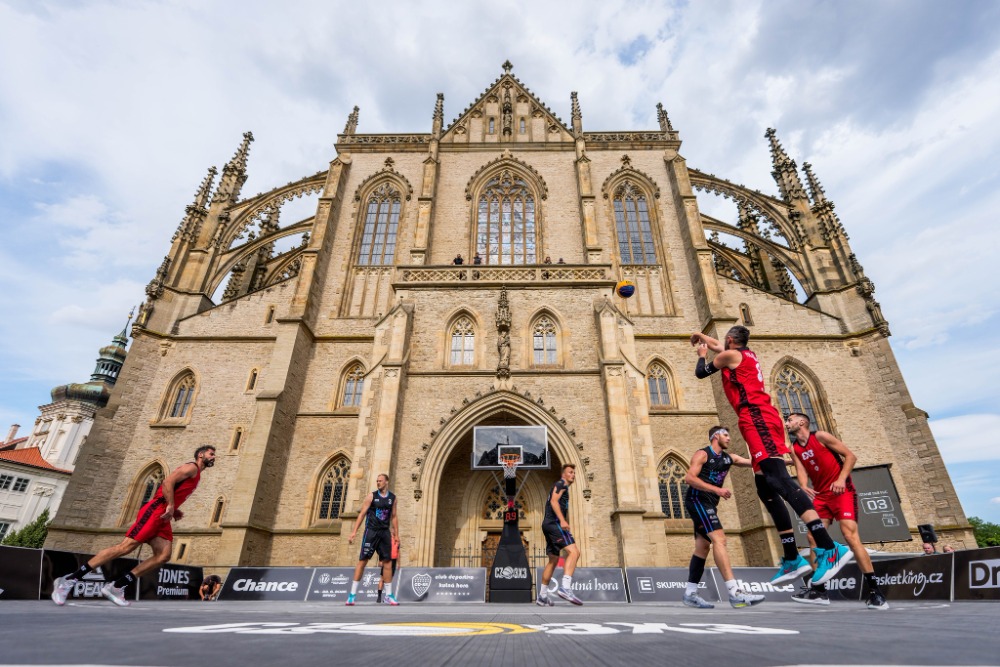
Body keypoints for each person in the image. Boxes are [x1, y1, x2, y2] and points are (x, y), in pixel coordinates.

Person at [691, 326, 852, 586]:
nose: (719, 344)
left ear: (730, 340)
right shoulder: (743, 354)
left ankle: (829, 547)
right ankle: (792, 557)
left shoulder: (729, 356)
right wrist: (702, 336)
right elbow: (719, 347)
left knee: (778, 479)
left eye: (724, 341)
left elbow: (702, 372)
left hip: (757, 418)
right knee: (764, 486)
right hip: (757, 419)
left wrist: (701, 354)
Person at [51, 445, 217, 607]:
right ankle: (69, 580)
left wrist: (174, 510)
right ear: (200, 455)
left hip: (163, 517)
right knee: (125, 547)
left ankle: (117, 587)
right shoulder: (191, 467)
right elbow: (167, 482)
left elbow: (174, 490)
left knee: (163, 555)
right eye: (211, 454)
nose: (214, 457)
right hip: (155, 511)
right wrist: (171, 505)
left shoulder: (197, 475)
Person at [785, 413, 888, 610]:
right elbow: (801, 469)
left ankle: (875, 591)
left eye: (790, 420)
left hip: (841, 491)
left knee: (850, 536)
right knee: (812, 537)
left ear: (802, 422)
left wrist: (841, 479)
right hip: (821, 495)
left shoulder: (821, 436)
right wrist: (804, 485)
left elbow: (851, 456)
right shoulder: (794, 448)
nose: (786, 423)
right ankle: (819, 591)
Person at [682, 426, 765, 609]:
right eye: (726, 435)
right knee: (720, 540)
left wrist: (786, 461)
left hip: (709, 504)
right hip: (698, 500)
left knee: (702, 547)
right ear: (715, 436)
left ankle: (690, 593)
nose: (729, 438)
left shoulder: (729, 458)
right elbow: (689, 478)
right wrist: (717, 490)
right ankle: (735, 593)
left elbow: (753, 462)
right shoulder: (702, 454)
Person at [347, 473, 399, 606]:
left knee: (387, 563)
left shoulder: (392, 498)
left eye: (380, 481)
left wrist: (396, 535)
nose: (378, 482)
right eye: (377, 481)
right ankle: (352, 595)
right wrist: (354, 532)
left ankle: (389, 595)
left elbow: (394, 517)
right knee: (363, 561)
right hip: (371, 532)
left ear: (386, 482)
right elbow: (362, 514)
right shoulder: (371, 496)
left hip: (384, 533)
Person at [537, 464, 583, 606]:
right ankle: (565, 588)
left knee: (553, 560)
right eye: (570, 472)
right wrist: (562, 520)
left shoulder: (562, 486)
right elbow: (553, 501)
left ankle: (542, 595)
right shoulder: (561, 484)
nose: (573, 475)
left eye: (574, 473)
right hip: (554, 523)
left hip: (547, 524)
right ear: (563, 474)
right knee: (574, 552)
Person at [377, 535, 400, 603]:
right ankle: (379, 597)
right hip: (387, 559)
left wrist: (399, 563)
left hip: (394, 560)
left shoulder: (397, 540)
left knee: (389, 579)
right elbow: (381, 550)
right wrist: (380, 560)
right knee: (382, 578)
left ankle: (387, 597)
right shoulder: (387, 538)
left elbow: (398, 552)